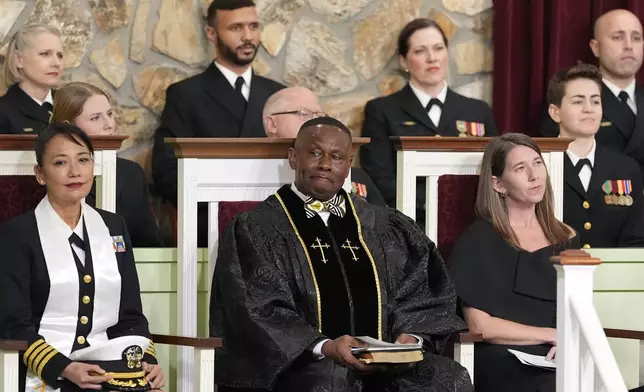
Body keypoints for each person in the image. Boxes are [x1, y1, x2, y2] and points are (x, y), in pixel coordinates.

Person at [211, 116, 473, 392]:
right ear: (292, 157)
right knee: (331, 381)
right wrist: (325, 347)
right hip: (303, 366)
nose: (325, 164)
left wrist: (411, 337)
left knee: (448, 378)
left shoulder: (384, 226)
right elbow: (258, 309)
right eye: (314, 153)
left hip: (386, 366)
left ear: (349, 165)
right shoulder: (258, 229)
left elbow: (423, 292)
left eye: (336, 157)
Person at [0, 123, 164, 391]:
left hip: (113, 371)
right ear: (40, 174)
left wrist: (145, 360)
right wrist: (64, 367)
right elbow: (13, 326)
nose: (75, 171)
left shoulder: (114, 227)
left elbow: (130, 314)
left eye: (83, 160)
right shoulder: (17, 235)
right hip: (48, 374)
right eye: (60, 162)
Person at [449, 133, 580, 392]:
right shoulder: (478, 239)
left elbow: (577, 313)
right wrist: (553, 335)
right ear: (498, 185)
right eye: (520, 168)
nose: (534, 175)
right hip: (503, 358)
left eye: (538, 163)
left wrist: (567, 341)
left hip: (559, 353)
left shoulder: (567, 236)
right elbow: (480, 326)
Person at [152, 0, 285, 230]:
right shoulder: (186, 95)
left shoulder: (278, 94)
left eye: (253, 26)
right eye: (236, 28)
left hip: (276, 222)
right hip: (211, 224)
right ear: (211, 34)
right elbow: (167, 170)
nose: (248, 36)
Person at [360, 18, 498, 220]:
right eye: (419, 51)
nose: (432, 57)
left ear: (447, 53)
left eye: (438, 48)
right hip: (409, 219)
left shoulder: (478, 111)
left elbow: (495, 169)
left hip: (472, 219)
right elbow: (380, 177)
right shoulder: (381, 110)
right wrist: (430, 206)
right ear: (404, 61)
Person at [51, 82, 162, 247]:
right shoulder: (54, 174)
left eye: (109, 114)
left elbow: (149, 241)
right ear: (68, 127)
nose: (109, 124)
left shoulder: (131, 173)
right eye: (95, 118)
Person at [547, 63, 644, 248]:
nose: (589, 108)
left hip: (613, 274)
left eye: (595, 101)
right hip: (554, 273)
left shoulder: (626, 168)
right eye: (578, 101)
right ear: (555, 112)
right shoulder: (540, 165)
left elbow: (637, 239)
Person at [542, 9, 644, 179]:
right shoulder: (567, 100)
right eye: (617, 37)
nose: (628, 45)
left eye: (636, 38)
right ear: (595, 47)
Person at [263, 86, 388, 206]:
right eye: (303, 113)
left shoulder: (357, 177)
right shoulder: (248, 176)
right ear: (272, 124)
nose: (316, 121)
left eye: (319, 115)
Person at [0, 24, 63, 134]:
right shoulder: (3, 111)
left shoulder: (72, 105)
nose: (56, 63)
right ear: (19, 60)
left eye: (60, 55)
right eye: (45, 54)